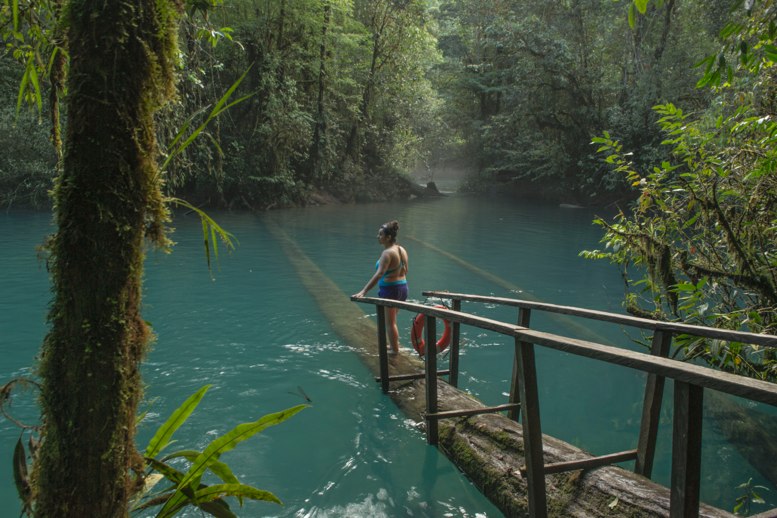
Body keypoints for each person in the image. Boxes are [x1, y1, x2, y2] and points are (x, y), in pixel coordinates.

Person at [352, 220, 409, 354]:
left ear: (388, 237)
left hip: (390, 290)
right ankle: (395, 344)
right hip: (403, 288)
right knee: (393, 321)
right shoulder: (401, 249)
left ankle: (394, 350)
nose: (378, 237)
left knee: (390, 323)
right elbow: (406, 270)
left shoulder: (387, 253)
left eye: (380, 235)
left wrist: (363, 291)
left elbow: (379, 274)